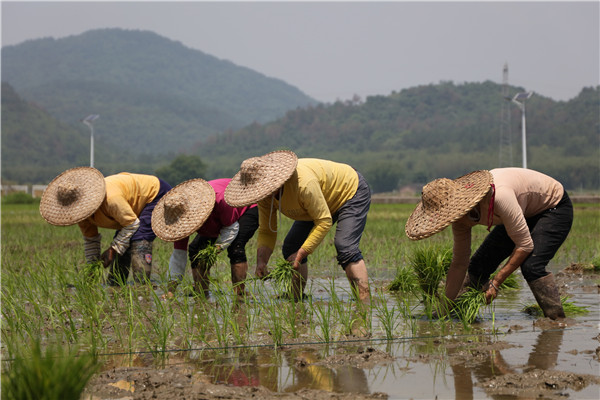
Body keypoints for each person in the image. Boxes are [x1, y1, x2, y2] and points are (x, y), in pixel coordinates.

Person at [405, 168, 573, 320]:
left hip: (552, 207)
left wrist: (496, 282)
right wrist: (444, 308)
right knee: (478, 265)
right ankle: (455, 312)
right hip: (521, 210)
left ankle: (556, 320)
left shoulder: (499, 197)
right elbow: (459, 263)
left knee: (532, 266)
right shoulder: (459, 220)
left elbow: (525, 245)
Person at [224, 150, 372, 302]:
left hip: (349, 191)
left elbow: (323, 221)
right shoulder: (265, 197)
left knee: (345, 246)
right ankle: (295, 297)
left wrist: (301, 254)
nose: (261, 194)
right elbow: (267, 230)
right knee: (292, 246)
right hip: (319, 200)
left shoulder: (303, 184)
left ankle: (364, 301)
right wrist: (262, 261)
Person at [40, 167, 188, 285]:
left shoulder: (111, 199)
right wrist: (92, 270)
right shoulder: (82, 215)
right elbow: (91, 241)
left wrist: (113, 249)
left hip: (154, 194)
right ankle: (115, 284)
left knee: (139, 238)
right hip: (131, 209)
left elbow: (132, 224)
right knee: (122, 242)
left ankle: (142, 287)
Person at [151, 178, 258, 298]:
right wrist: (171, 290)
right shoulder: (179, 218)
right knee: (196, 251)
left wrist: (216, 249)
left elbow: (231, 228)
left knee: (235, 248)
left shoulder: (219, 200)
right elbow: (178, 255)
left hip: (245, 205)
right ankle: (202, 293)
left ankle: (240, 295)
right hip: (218, 217)